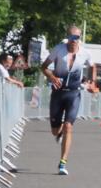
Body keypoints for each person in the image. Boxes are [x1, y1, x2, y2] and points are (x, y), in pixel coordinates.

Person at [41, 25, 95, 175]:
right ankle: (59, 135)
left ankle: (62, 163)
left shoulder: (85, 52)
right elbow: (44, 66)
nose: (73, 41)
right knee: (55, 130)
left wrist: (92, 82)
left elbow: (93, 66)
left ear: (79, 39)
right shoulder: (59, 49)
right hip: (58, 94)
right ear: (67, 38)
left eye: (76, 38)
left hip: (73, 94)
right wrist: (52, 77)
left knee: (68, 126)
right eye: (71, 37)